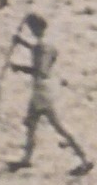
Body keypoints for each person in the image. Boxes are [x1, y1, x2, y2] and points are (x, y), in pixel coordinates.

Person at [7, 13, 91, 175]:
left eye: (32, 28)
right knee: (31, 123)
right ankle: (26, 159)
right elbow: (40, 53)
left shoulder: (42, 46)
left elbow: (41, 70)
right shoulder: (47, 43)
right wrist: (22, 43)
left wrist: (20, 68)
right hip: (44, 89)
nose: (30, 30)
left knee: (58, 126)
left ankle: (84, 158)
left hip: (42, 91)